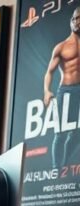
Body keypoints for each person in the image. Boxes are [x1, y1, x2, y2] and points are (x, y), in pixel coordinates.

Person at [44, 7, 80, 169]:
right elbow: (49, 72)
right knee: (60, 133)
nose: (76, 22)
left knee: (76, 132)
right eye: (74, 19)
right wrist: (47, 90)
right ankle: (55, 168)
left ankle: (64, 166)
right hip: (65, 91)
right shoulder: (62, 46)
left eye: (79, 18)